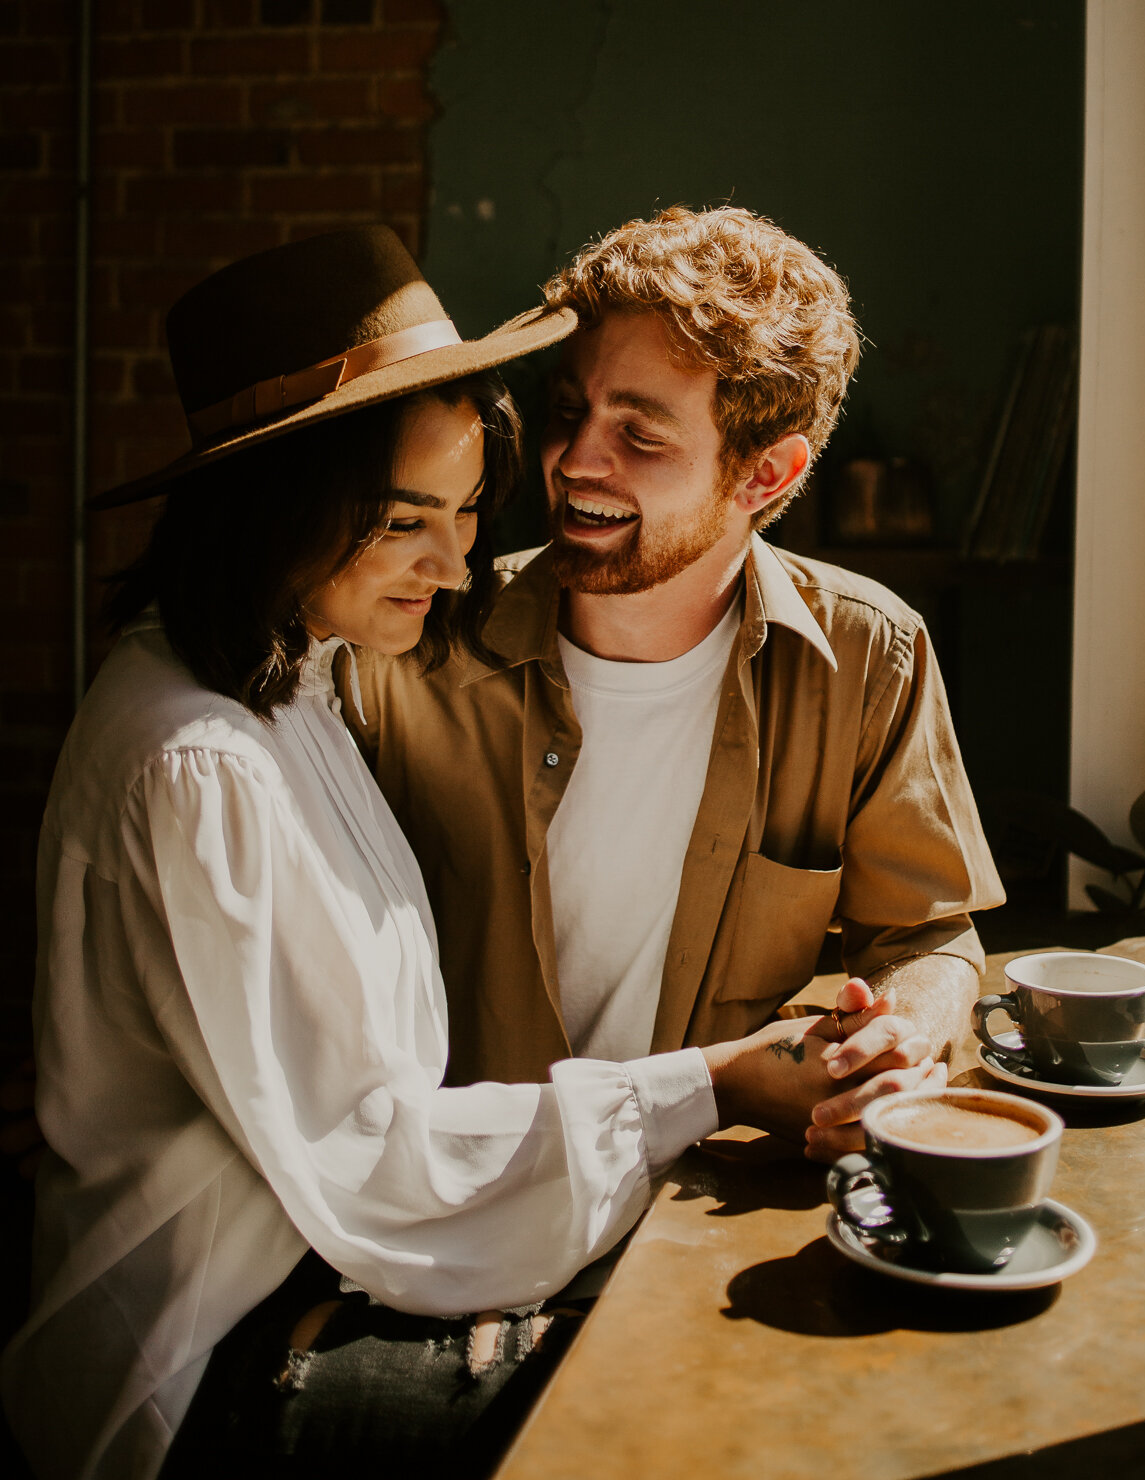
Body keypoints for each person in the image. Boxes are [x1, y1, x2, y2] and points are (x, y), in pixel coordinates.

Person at [0, 227, 936, 1480]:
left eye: (461, 513)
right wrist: (709, 1083)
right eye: (403, 522)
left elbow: (930, 930)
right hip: (218, 1347)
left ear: (768, 475)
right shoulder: (211, 755)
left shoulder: (310, 675)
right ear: (278, 501)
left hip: (376, 1257)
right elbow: (373, 1162)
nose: (456, 567)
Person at [350, 205, 1006, 1154]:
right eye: (569, 410)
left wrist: (899, 1034)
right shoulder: (419, 639)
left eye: (641, 435)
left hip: (695, 1218)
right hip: (454, 1202)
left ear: (765, 475)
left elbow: (928, 934)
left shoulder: (868, 655)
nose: (576, 460)